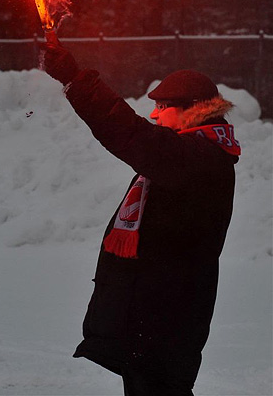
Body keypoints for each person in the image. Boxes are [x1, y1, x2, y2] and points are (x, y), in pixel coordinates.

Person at [42, 40, 241, 396]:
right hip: (156, 313)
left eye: (162, 106)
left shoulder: (199, 158)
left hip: (168, 317)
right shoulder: (191, 155)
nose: (154, 115)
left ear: (192, 110)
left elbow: (130, 133)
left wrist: (75, 79)